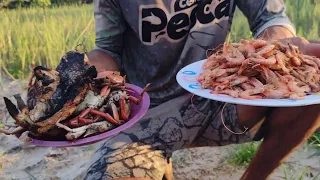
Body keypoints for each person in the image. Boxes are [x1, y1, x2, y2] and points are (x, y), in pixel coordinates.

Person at [84, 0, 320, 180]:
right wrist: (83, 74)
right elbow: (107, 50)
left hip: (219, 102)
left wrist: (276, 49)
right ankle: (158, 158)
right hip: (147, 113)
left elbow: (270, 18)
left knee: (313, 89)